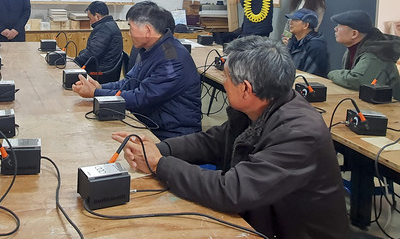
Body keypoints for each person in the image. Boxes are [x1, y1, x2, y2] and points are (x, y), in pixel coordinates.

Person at [112, 36, 350, 239]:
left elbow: (232, 190)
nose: (224, 84)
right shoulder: (262, 107)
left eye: (227, 79)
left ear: (246, 89)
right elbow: (212, 141)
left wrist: (159, 164)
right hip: (264, 219)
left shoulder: (299, 132)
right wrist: (158, 149)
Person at [73, 1, 202, 140]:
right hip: (151, 123)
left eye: (131, 28)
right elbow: (129, 82)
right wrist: (100, 86)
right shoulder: (151, 49)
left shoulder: (172, 60)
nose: (129, 34)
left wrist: (96, 93)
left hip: (172, 135)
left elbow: (141, 97)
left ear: (147, 30)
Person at [328, 10, 400, 100]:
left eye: (339, 26)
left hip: (390, 108)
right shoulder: (353, 49)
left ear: (354, 33)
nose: (336, 29)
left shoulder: (374, 53)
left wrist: (331, 73)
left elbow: (356, 81)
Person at [73, 1, 123, 82]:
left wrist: (74, 63)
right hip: (106, 68)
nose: (89, 22)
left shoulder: (104, 28)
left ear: (97, 16)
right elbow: (94, 50)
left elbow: (92, 54)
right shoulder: (110, 24)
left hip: (101, 73)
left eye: (89, 18)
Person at [285, 8, 329, 77]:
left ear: (306, 25)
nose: (290, 23)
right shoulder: (292, 41)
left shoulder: (316, 46)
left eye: (295, 20)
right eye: (291, 20)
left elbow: (310, 76)